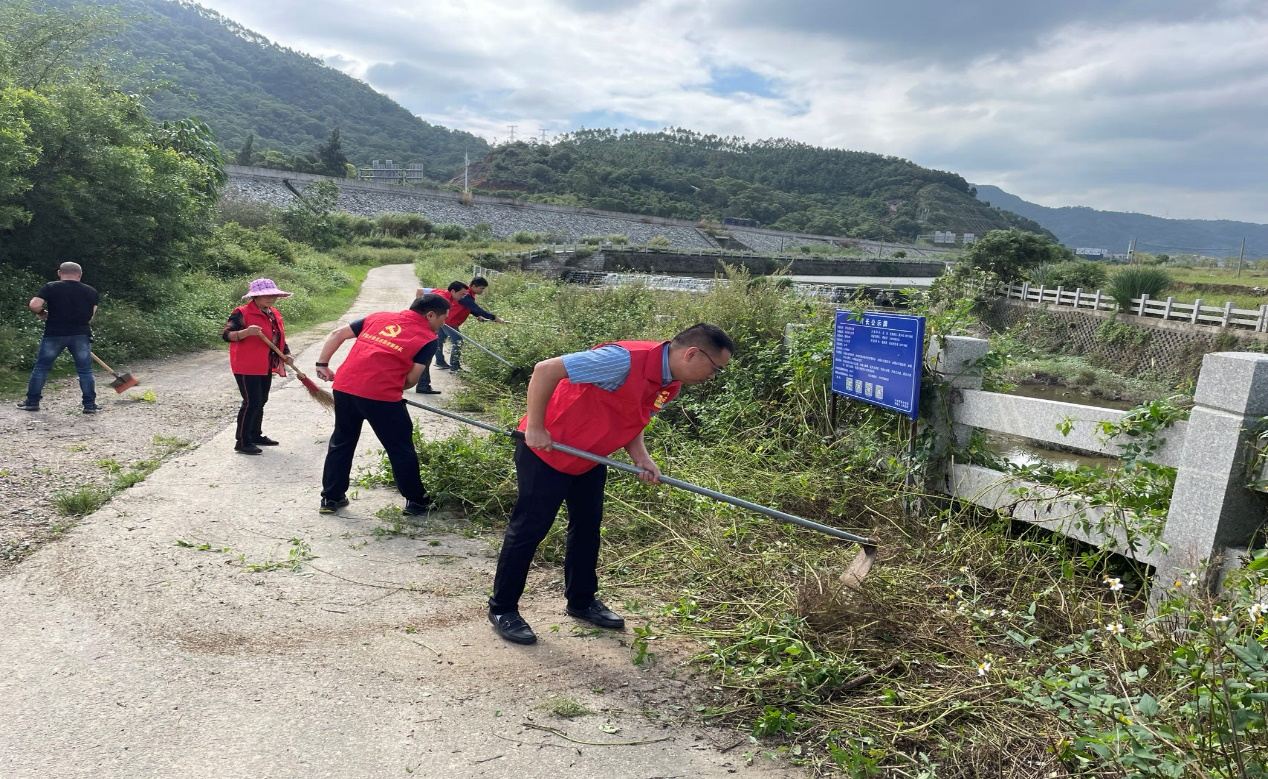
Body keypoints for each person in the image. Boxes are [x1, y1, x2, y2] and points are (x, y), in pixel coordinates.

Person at [487, 323, 734, 645]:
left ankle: (581, 601)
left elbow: (632, 416)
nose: (712, 377)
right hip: (546, 450)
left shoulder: (669, 381)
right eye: (715, 369)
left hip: (590, 457)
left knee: (588, 528)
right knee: (530, 529)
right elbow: (545, 370)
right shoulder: (622, 360)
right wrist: (535, 426)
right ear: (691, 353)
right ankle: (503, 608)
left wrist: (641, 457)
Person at [314, 293, 450, 516]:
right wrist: (389, 385)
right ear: (431, 315)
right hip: (382, 397)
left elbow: (338, 334)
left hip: (345, 388)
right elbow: (412, 380)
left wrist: (322, 364)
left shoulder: (377, 317)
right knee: (400, 447)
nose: (443, 324)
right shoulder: (427, 339)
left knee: (342, 441)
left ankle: (331, 497)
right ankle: (416, 501)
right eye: (443, 319)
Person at [223, 278, 295, 454]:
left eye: (273, 295)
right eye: (265, 295)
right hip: (246, 364)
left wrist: (286, 353)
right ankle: (242, 441)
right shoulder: (241, 313)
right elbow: (227, 335)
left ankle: (255, 435)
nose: (270, 298)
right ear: (255, 297)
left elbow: (278, 337)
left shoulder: (273, 313)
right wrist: (246, 332)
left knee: (261, 400)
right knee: (251, 402)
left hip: (265, 363)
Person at [17, 262, 100, 414]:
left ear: (59, 273)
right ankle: (89, 405)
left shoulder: (51, 287)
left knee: (42, 368)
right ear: (79, 275)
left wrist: (42, 313)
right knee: (85, 370)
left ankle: (32, 402)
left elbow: (34, 305)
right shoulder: (91, 291)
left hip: (54, 334)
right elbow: (90, 316)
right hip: (80, 334)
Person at [435, 276, 505, 371]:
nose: (482, 291)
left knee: (439, 340)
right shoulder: (465, 295)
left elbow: (470, 308)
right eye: (481, 288)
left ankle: (440, 362)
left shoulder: (467, 293)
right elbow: (476, 308)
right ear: (474, 286)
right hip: (450, 321)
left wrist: (477, 315)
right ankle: (454, 367)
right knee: (458, 342)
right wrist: (495, 318)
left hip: (446, 320)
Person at [411, 286, 444, 395]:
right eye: (462, 294)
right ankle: (423, 385)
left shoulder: (443, 299)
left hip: (429, 333)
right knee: (423, 359)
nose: (463, 296)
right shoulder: (438, 298)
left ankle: (423, 384)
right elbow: (419, 290)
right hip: (423, 334)